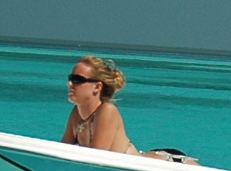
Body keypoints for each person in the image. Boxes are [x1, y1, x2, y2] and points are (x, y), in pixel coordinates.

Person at [62, 56, 196, 162]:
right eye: (70, 79)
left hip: (170, 165)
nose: (70, 84)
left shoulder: (106, 111)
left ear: (97, 87)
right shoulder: (76, 114)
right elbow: (61, 152)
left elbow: (96, 160)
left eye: (77, 80)